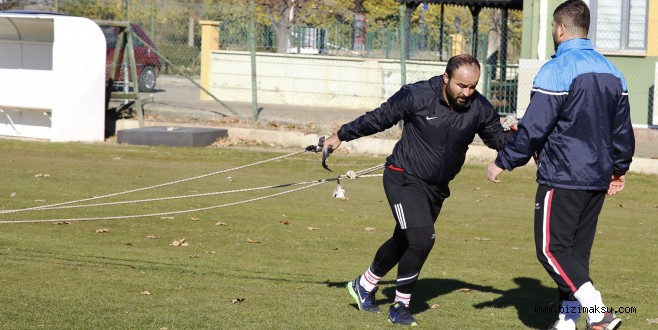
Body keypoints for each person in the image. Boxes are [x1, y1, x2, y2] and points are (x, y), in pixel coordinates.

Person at [323, 54, 513, 326]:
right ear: (446, 78)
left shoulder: (479, 107)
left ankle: (363, 285)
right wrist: (341, 135)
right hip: (403, 179)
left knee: (405, 240)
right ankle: (400, 305)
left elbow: (498, 139)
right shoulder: (417, 95)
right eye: (461, 86)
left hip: (436, 189)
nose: (467, 93)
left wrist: (525, 139)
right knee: (422, 239)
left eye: (472, 87)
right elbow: (379, 118)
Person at [486, 1, 634, 330]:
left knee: (551, 250)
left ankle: (599, 314)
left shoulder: (557, 69)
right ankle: (566, 322)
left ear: (561, 29)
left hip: (563, 177)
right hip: (596, 178)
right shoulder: (615, 72)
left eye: (553, 27)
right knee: (575, 253)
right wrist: (618, 169)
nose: (553, 32)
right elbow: (621, 130)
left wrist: (504, 160)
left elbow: (535, 127)